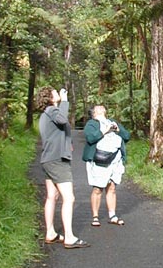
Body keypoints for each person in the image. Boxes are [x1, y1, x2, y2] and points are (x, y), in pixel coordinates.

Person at [35, 86, 90, 249]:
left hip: (48, 158)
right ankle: (69, 237)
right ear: (49, 97)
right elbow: (62, 119)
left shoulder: (45, 115)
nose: (57, 93)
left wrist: (68, 143)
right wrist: (65, 101)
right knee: (69, 198)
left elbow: (56, 132)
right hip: (57, 160)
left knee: (52, 196)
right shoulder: (52, 110)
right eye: (54, 92)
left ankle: (50, 233)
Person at [82, 104, 131, 226]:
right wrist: (104, 130)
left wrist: (117, 129)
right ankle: (95, 216)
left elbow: (126, 136)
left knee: (112, 187)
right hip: (99, 160)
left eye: (102, 107)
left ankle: (112, 215)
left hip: (115, 160)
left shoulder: (112, 122)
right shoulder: (91, 124)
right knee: (98, 188)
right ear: (93, 113)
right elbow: (90, 138)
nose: (100, 108)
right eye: (97, 108)